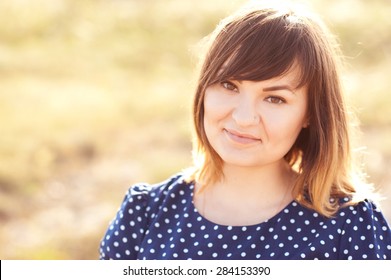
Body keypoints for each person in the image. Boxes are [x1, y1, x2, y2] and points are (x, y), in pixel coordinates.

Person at [99, 1, 391, 260]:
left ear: (310, 114)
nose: (243, 117)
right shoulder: (145, 213)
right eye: (229, 85)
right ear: (203, 88)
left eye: (274, 98)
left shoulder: (349, 225)